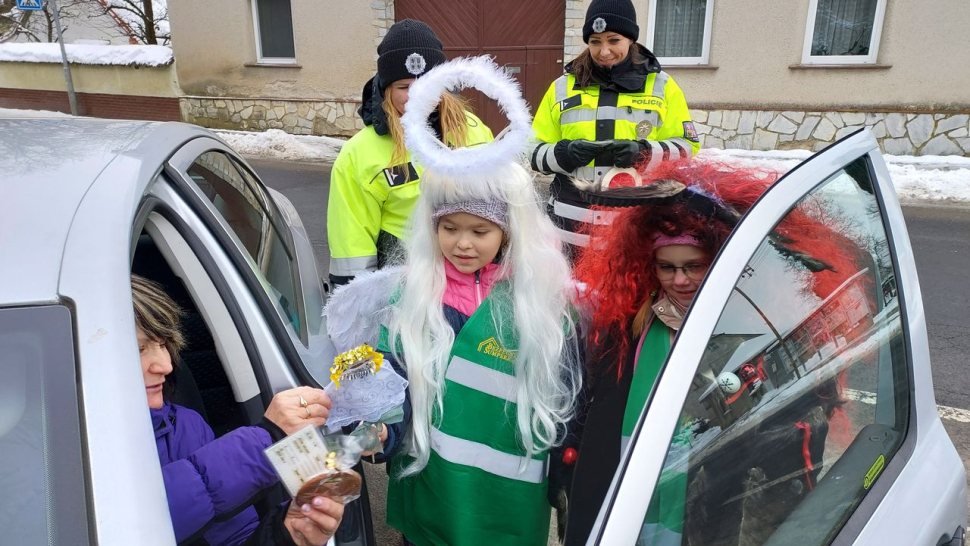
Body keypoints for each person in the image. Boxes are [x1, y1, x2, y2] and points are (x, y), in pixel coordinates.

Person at [131, 274, 345, 546]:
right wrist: (264, 440)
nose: (165, 365)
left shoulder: (186, 426)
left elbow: (236, 536)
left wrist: (287, 535)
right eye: (140, 348)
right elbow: (122, 523)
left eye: (163, 345)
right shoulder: (66, 452)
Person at [326, 19, 494, 286]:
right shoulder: (358, 154)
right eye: (404, 87)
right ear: (386, 89)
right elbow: (352, 242)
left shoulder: (474, 131)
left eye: (427, 83)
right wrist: (358, 303)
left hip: (472, 280)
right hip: (404, 283)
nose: (416, 95)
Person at [530, 0, 701, 253]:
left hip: (631, 232)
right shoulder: (561, 87)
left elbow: (687, 148)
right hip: (566, 235)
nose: (604, 51)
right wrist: (563, 154)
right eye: (595, 41)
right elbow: (532, 152)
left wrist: (644, 153)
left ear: (630, 39)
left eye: (613, 40)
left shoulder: (662, 86)